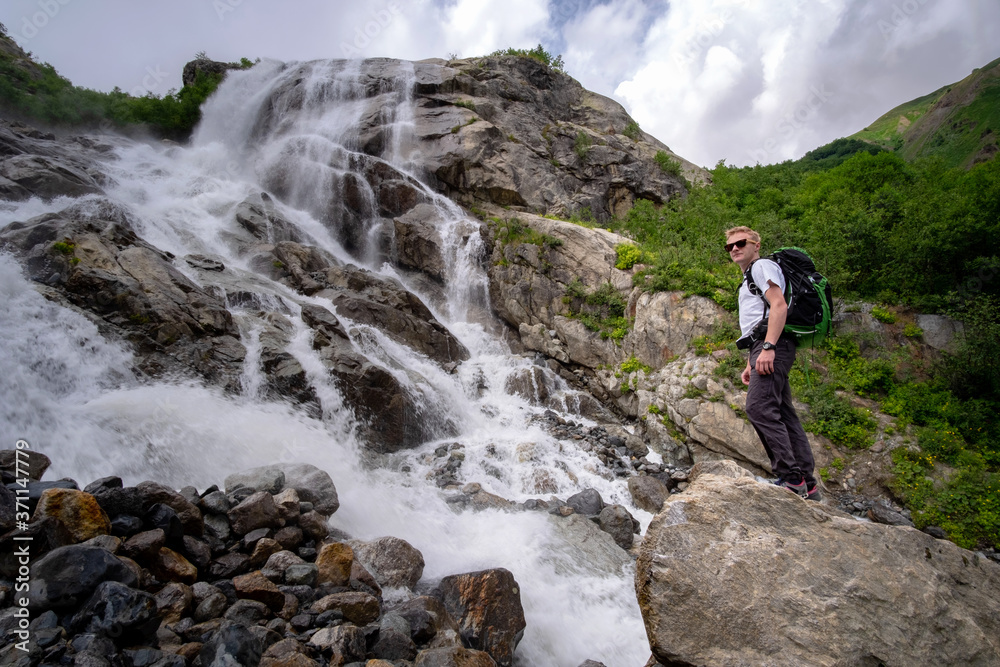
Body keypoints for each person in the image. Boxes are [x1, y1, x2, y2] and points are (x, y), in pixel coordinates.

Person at [725, 226, 819, 500]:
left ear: (756, 244)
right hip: (766, 346)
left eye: (740, 243)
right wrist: (750, 361)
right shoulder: (749, 276)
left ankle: (791, 480)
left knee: (759, 408)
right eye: (729, 246)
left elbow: (779, 306)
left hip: (772, 345)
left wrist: (768, 347)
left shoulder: (762, 266)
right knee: (783, 412)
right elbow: (759, 318)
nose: (734, 249)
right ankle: (808, 484)